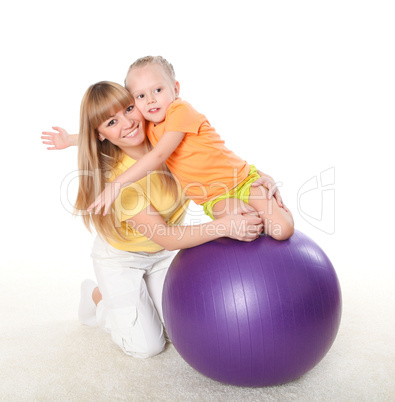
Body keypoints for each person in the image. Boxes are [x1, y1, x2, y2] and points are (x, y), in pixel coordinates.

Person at [41, 81, 266, 359]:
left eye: (129, 108)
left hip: (161, 256)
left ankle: (141, 292)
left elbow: (219, 161)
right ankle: (97, 295)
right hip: (123, 258)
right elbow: (168, 238)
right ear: (100, 134)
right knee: (148, 346)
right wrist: (226, 226)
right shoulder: (116, 181)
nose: (128, 123)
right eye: (112, 121)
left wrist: (259, 178)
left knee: (181, 330)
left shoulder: (165, 136)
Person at [89, 56, 294, 241]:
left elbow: (159, 154)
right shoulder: (145, 124)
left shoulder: (180, 111)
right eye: (140, 96)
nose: (150, 99)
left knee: (282, 230)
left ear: (175, 89)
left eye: (158, 90)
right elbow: (107, 126)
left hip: (241, 181)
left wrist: (118, 184)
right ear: (133, 101)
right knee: (251, 225)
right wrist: (74, 139)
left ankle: (280, 211)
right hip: (214, 198)